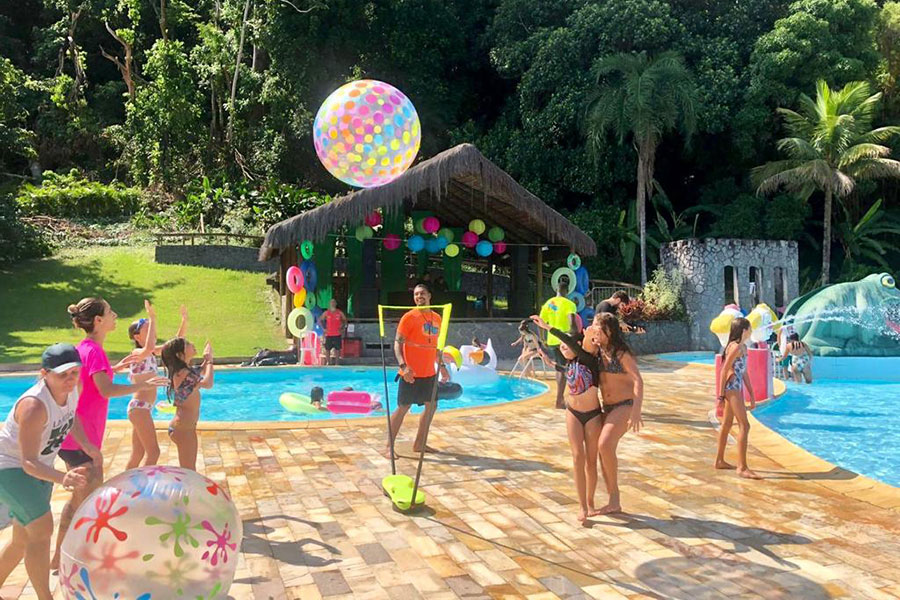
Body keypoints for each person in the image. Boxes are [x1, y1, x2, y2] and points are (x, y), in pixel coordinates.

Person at [52, 298, 167, 571]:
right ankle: (83, 560)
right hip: (81, 440)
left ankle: (61, 557)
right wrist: (142, 383)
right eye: (110, 312)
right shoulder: (94, 351)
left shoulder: (87, 349)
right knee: (91, 502)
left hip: (73, 438)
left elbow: (93, 380)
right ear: (98, 321)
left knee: (82, 499)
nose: (115, 315)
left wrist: (110, 369)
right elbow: (105, 390)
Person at [0, 344, 101, 600]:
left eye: (74, 373)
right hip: (10, 468)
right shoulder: (34, 406)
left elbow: (71, 417)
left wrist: (87, 445)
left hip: (39, 467)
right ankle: (46, 597)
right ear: (45, 373)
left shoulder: (73, 389)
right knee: (43, 529)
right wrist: (63, 477)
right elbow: (28, 462)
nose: (70, 379)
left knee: (24, 538)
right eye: (62, 374)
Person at [531, 316, 603, 523]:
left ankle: (590, 503)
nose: (563, 348)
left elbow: (571, 342)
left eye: (566, 345)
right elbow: (562, 368)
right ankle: (581, 506)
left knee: (591, 461)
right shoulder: (570, 364)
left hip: (592, 416)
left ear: (578, 345)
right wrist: (548, 359)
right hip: (573, 413)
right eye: (561, 346)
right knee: (577, 457)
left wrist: (548, 327)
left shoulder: (588, 360)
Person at [383, 283, 449, 459]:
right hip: (410, 372)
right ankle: (389, 446)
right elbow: (397, 343)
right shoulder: (409, 317)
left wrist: (442, 368)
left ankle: (419, 443)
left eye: (422, 294)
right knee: (403, 407)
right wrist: (404, 366)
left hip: (429, 372)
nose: (419, 297)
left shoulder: (437, 318)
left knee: (432, 406)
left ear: (429, 296)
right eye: (416, 294)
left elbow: (436, 347)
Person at [123, 304, 188, 470]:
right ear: (137, 337)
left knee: (137, 454)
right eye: (147, 328)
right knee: (154, 453)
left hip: (142, 409)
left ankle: (125, 488)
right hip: (139, 409)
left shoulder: (150, 353)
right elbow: (150, 347)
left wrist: (184, 320)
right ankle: (141, 487)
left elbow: (174, 344)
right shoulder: (136, 354)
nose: (152, 329)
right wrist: (152, 317)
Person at [591, 313, 644, 514]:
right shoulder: (597, 351)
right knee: (602, 451)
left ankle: (615, 498)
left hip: (624, 405)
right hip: (608, 407)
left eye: (597, 326)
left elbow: (638, 380)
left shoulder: (620, 353)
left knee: (605, 445)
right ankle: (613, 500)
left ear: (609, 331)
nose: (593, 328)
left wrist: (637, 410)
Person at [714, 317, 760, 480]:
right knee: (744, 425)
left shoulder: (742, 348)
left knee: (727, 424)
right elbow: (723, 369)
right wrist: (720, 395)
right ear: (743, 330)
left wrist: (752, 394)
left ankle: (719, 460)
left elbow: (744, 372)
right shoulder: (735, 348)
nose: (751, 331)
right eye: (749, 328)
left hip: (736, 387)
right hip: (731, 388)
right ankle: (742, 467)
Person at [160, 337, 215, 471]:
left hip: (184, 427)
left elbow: (199, 371)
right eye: (188, 344)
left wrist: (206, 361)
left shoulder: (185, 371)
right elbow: (208, 383)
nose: (193, 344)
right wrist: (210, 361)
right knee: (189, 471)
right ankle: (187, 492)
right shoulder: (182, 374)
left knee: (189, 470)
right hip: (183, 429)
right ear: (180, 355)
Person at [539, 280, 578, 409]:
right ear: (567, 291)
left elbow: (540, 322)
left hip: (551, 339)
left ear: (556, 290)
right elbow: (572, 323)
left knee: (560, 368)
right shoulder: (570, 304)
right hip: (564, 340)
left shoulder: (548, 303)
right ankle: (560, 400)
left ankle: (562, 398)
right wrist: (575, 336)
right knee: (567, 368)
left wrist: (542, 338)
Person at [318, 299, 347, 366]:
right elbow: (320, 320)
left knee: (337, 349)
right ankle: (329, 362)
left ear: (336, 304)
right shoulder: (326, 313)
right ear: (329, 304)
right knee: (327, 349)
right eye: (331, 302)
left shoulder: (339, 312)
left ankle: (337, 363)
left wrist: (342, 328)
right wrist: (324, 329)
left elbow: (345, 320)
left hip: (337, 334)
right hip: (329, 334)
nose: (333, 304)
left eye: (334, 302)